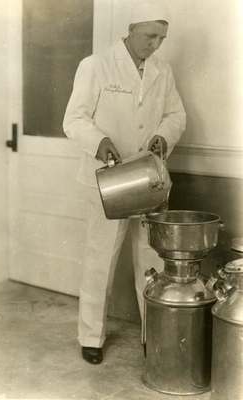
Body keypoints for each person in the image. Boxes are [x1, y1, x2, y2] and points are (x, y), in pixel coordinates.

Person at [63, 0, 186, 364]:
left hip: (147, 179)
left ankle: (153, 333)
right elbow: (74, 119)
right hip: (107, 181)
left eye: (162, 37)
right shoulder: (96, 65)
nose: (156, 44)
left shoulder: (162, 70)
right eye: (150, 36)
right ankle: (91, 337)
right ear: (131, 30)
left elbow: (175, 113)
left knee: (149, 258)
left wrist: (164, 136)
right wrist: (99, 142)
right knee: (100, 258)